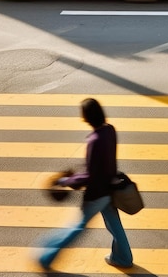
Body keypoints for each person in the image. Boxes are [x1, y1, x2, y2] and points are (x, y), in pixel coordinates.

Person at [38, 98, 133, 270]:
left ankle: (46, 257)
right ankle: (123, 258)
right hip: (109, 189)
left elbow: (90, 176)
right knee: (115, 225)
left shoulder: (94, 140)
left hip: (97, 194)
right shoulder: (110, 130)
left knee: (77, 227)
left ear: (87, 117)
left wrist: (65, 181)